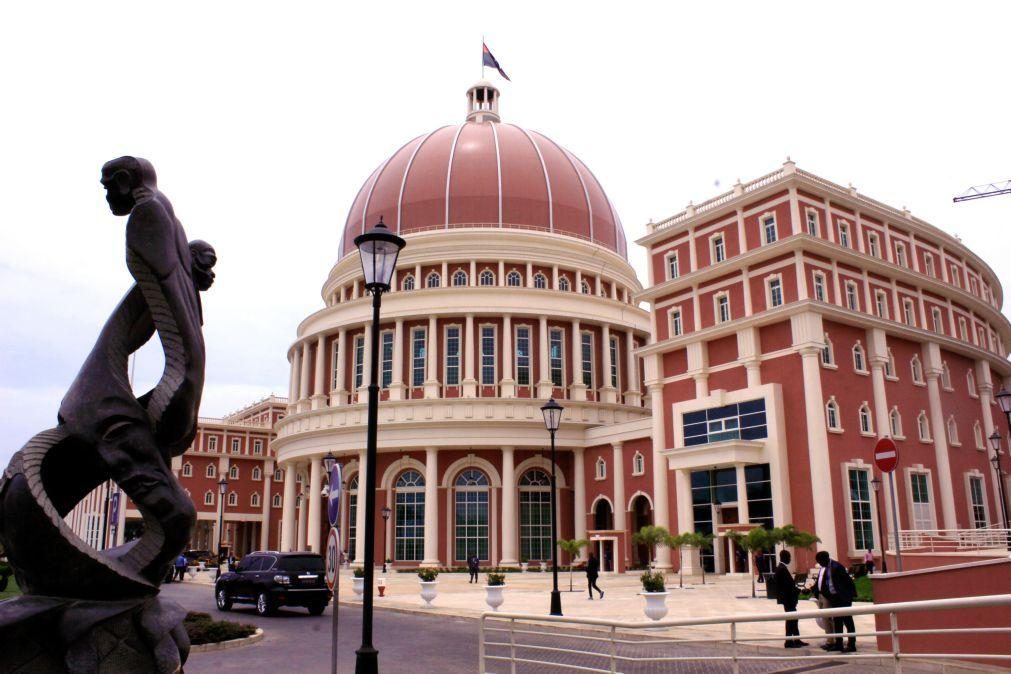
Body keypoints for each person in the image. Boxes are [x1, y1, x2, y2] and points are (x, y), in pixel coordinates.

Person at [813, 550, 857, 653]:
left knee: (848, 622)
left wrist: (848, 598)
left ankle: (852, 644)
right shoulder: (826, 568)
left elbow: (847, 582)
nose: (819, 564)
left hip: (843, 599)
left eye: (819, 561)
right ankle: (838, 644)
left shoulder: (837, 567)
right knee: (837, 622)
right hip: (835, 598)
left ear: (825, 559)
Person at [773, 550, 808, 648]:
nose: (790, 559)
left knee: (794, 619)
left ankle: (796, 639)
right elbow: (787, 587)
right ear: (785, 557)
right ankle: (789, 641)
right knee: (791, 620)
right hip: (788, 599)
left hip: (788, 598)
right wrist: (800, 591)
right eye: (789, 557)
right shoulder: (782, 569)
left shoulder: (781, 568)